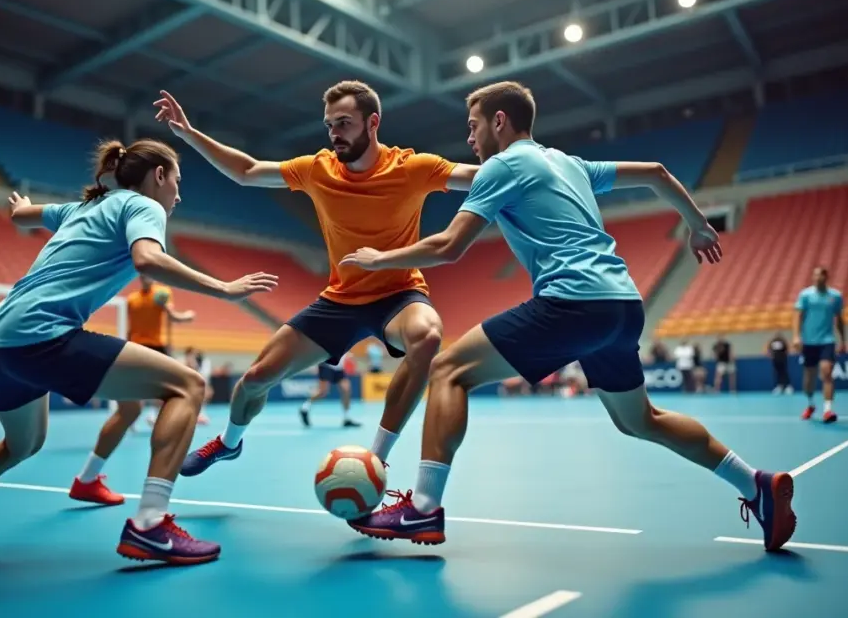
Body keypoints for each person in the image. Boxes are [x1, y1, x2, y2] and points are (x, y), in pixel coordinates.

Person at [339, 81, 796, 553]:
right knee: (641, 420)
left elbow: (449, 245)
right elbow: (658, 173)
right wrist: (698, 225)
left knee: (448, 370)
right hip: (621, 304)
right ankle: (755, 484)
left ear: (499, 121)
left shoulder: (503, 164)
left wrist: (378, 259)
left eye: (473, 126)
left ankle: (422, 511)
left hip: (572, 300)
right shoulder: (570, 163)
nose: (471, 140)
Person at [0, 139, 278, 565]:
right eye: (177, 181)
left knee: (20, 446)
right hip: (42, 334)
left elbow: (22, 217)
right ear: (160, 175)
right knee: (188, 385)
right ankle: (150, 524)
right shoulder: (142, 206)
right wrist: (223, 288)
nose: (179, 195)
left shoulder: (79, 208)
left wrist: (22, 206)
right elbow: (147, 259)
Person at [150, 83, 478, 478]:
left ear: (372, 123)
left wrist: (532, 161)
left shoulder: (413, 168)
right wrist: (188, 132)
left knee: (427, 337)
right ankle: (229, 442)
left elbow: (476, 177)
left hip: (399, 295)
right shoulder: (317, 169)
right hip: (339, 301)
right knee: (254, 380)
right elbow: (247, 171)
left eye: (344, 123)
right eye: (329, 125)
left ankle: (375, 460)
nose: (335, 133)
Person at [68, 276, 197, 506]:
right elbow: (130, 328)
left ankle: (87, 480)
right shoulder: (132, 300)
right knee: (140, 405)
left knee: (133, 408)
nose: (147, 277)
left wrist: (182, 315)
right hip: (135, 347)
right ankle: (150, 511)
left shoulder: (162, 292)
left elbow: (171, 316)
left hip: (156, 347)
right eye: (144, 274)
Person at [793, 266, 845, 422]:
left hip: (827, 340)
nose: (816, 278)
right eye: (814, 275)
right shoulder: (805, 295)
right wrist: (796, 336)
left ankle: (828, 410)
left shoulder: (835, 296)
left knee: (826, 371)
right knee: (809, 379)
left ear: (825, 277)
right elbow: (797, 316)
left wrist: (842, 340)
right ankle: (810, 404)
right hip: (809, 342)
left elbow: (840, 319)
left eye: (819, 275)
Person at [301, 354, 361, 428]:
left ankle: (347, 418)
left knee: (346, 390)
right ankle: (305, 407)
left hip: (339, 367)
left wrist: (348, 356)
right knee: (323, 392)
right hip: (327, 365)